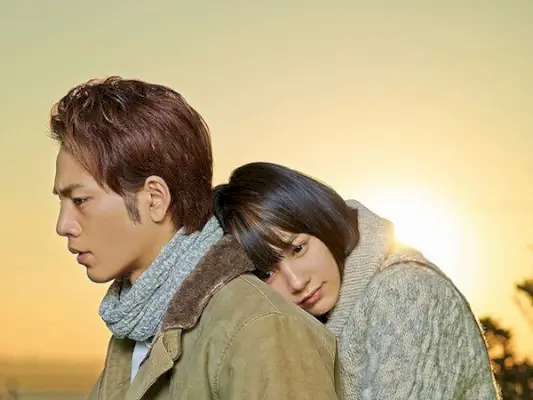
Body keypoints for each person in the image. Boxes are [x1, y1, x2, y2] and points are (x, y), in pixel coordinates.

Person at [49, 78, 342, 400]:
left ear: (154, 199)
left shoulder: (260, 328)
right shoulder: (135, 326)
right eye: (62, 202)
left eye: (80, 200)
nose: (63, 225)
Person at [214, 162, 502, 400]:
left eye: (298, 248)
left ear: (322, 221)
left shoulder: (405, 291)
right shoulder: (301, 329)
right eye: (266, 273)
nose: (297, 282)